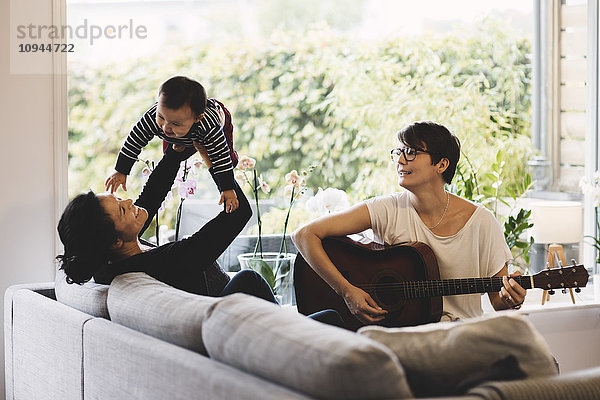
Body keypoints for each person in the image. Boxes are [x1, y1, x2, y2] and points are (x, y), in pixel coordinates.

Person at [58, 144, 342, 326]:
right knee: (254, 282)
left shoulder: (117, 258)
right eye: (122, 210)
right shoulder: (165, 261)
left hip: (238, 322)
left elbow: (153, 193)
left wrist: (180, 145)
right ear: (114, 241)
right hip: (235, 328)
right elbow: (240, 212)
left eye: (122, 200)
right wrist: (213, 157)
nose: (130, 202)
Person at [292, 121, 527, 325]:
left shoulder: (481, 222)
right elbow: (304, 235)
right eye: (399, 151)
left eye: (412, 152)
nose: (401, 159)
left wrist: (511, 299)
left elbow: (498, 302)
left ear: (441, 165)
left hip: (462, 339)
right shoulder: (385, 209)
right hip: (401, 337)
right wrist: (346, 291)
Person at [105, 76, 240, 213]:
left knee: (224, 156)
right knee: (171, 153)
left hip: (217, 126)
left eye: (175, 123)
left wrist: (227, 188)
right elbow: (135, 140)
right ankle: (179, 142)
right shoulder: (154, 117)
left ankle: (230, 161)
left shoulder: (209, 126)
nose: (165, 127)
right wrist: (121, 170)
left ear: (197, 118)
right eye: (161, 117)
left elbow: (220, 156)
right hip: (179, 136)